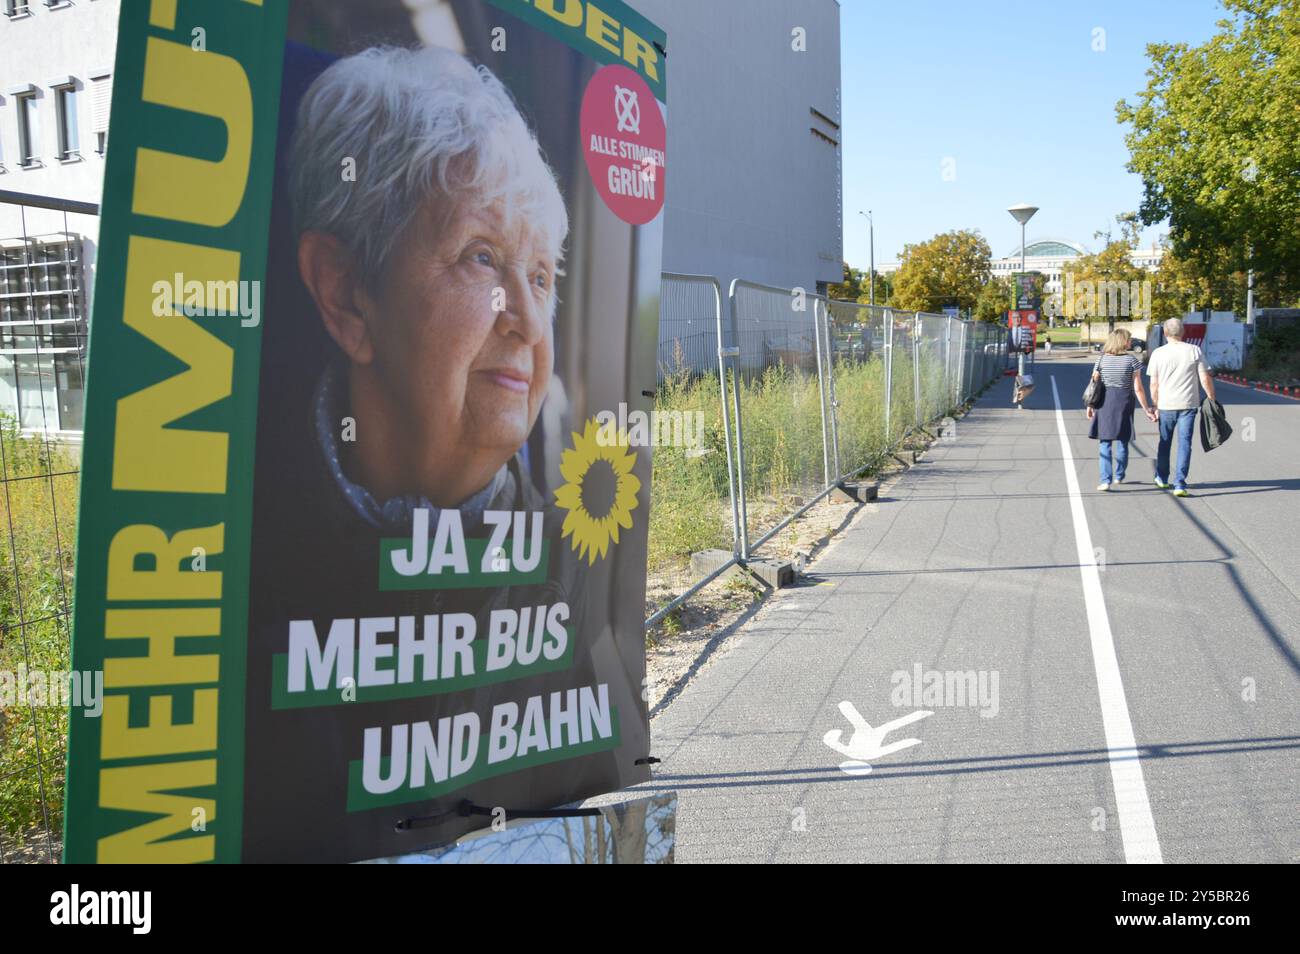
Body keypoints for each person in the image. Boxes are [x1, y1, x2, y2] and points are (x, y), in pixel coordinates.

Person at [1146, 317, 1217, 497]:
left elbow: (1154, 384)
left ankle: (1162, 477)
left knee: (1164, 442)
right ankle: (1180, 483)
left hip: (1166, 405)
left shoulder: (1158, 353)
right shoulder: (1195, 350)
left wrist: (1154, 405)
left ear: (1165, 333)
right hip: (1189, 405)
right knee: (1185, 444)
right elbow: (1204, 378)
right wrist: (1211, 399)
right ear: (1183, 332)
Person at [1087, 329, 1155, 491]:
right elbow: (1138, 388)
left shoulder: (1101, 360)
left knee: (1105, 441)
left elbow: (1094, 385)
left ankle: (1105, 479)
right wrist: (1146, 408)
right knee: (1123, 440)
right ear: (1123, 341)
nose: (1130, 342)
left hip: (1104, 401)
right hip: (1124, 400)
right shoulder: (1132, 361)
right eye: (1129, 339)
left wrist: (1090, 405)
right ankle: (1119, 474)